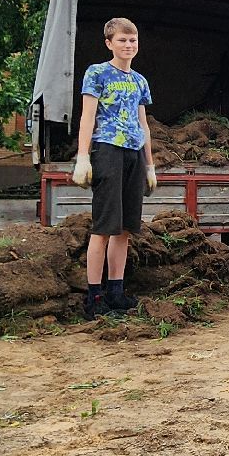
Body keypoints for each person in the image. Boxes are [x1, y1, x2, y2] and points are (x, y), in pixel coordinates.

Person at [72, 17, 157, 318]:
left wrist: (150, 164)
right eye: (122, 40)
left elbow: (143, 124)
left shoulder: (140, 81)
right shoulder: (97, 74)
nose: (128, 45)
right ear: (109, 43)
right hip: (107, 150)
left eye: (133, 41)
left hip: (133, 152)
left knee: (125, 229)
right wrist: (83, 157)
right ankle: (94, 298)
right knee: (104, 227)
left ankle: (116, 292)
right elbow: (87, 117)